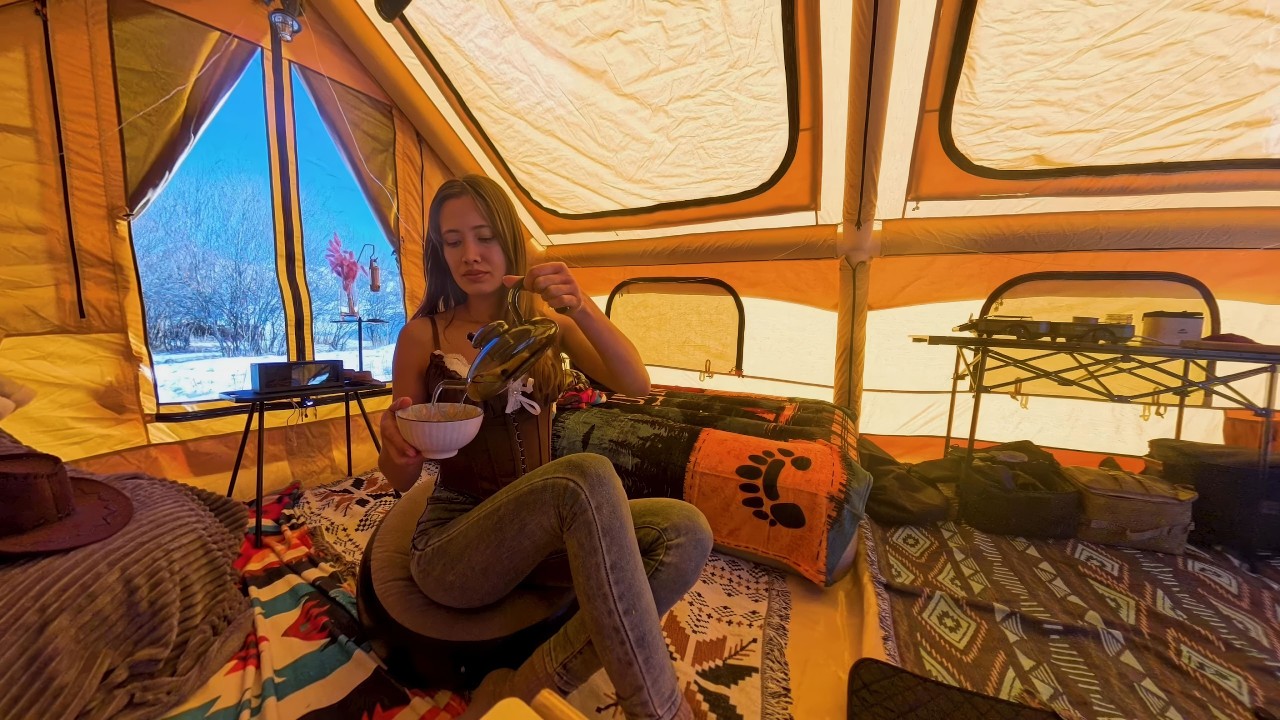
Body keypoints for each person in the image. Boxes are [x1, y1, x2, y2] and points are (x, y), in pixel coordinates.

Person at [378, 175, 712, 720]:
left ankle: (526, 687)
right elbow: (399, 480)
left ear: (510, 240)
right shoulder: (423, 337)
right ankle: (661, 711)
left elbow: (636, 383)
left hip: (542, 534)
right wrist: (396, 449)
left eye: (484, 236)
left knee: (686, 530)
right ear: (439, 251)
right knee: (586, 475)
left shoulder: (544, 322)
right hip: (456, 546)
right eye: (453, 240)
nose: (471, 254)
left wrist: (582, 307)